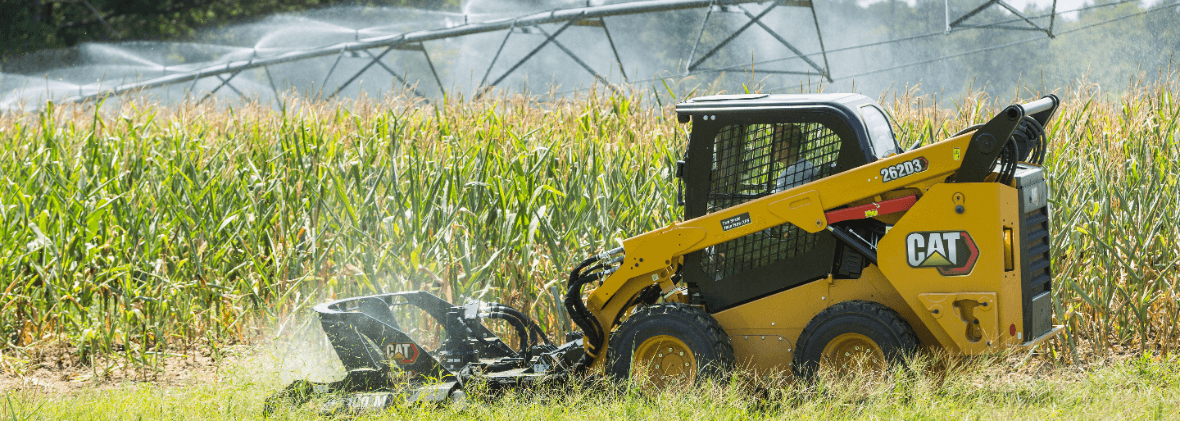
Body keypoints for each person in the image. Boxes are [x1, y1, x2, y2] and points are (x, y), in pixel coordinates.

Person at [771, 124, 817, 192]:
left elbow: (772, 201)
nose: (771, 148)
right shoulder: (808, 167)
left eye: (774, 143)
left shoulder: (789, 176)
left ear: (784, 145)